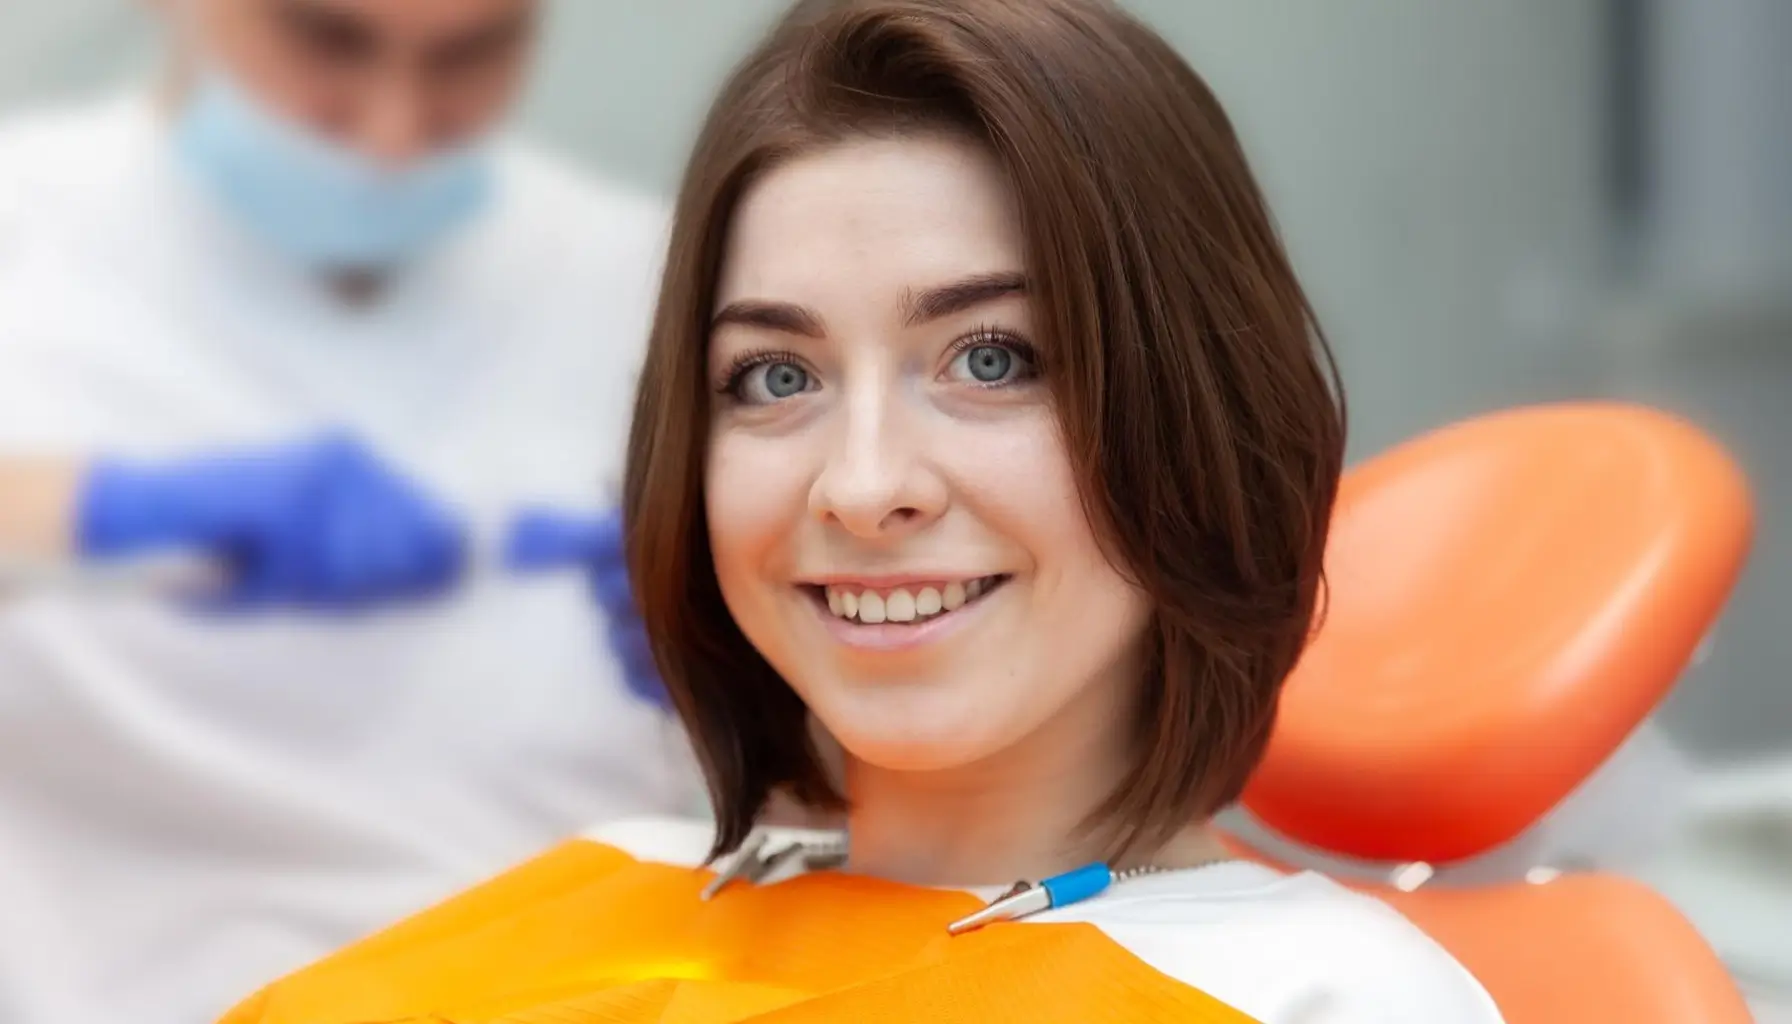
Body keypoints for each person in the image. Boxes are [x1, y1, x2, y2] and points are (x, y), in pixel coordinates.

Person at [215, 0, 1507, 1020]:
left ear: (1196, 404)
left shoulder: (1319, 1001)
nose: (865, 483)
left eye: (993, 358)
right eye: (778, 378)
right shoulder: (605, 885)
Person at [0, 2, 694, 1022]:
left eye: (470, 56)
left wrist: (741, 668)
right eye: (328, 39)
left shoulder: (650, 277)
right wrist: (86, 512)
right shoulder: (25, 220)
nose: (393, 130)